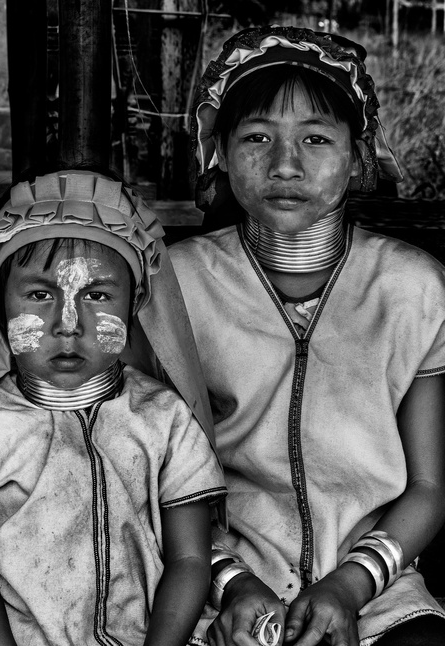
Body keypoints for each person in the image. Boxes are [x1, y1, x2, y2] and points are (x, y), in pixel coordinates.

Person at [171, 26, 445, 646]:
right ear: (218, 153)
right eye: (256, 137)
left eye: (316, 139)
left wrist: (350, 585)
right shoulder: (179, 285)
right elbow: (152, 470)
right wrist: (229, 580)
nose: (285, 164)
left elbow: (430, 486)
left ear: (358, 157)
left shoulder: (413, 289)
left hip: (377, 587)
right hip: (217, 584)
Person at [0, 169, 226, 646]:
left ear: (134, 305)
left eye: (98, 295)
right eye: (40, 295)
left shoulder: (164, 418)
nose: (68, 325)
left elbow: (189, 560)